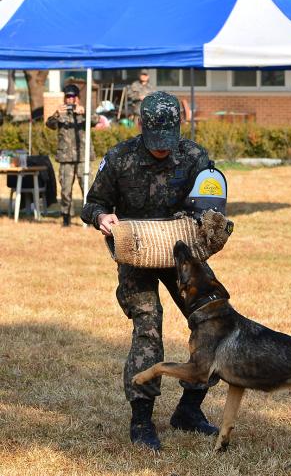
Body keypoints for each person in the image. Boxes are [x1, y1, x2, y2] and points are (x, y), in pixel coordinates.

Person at [80, 91, 219, 451]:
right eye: (156, 142)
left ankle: (189, 409)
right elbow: (92, 203)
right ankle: (141, 419)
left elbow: (211, 201)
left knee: (214, 321)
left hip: (181, 252)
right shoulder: (120, 159)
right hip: (136, 252)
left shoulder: (194, 156)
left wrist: (211, 221)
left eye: (167, 142)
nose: (162, 149)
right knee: (148, 327)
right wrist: (101, 217)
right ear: (142, 126)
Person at [46, 84, 97, 227]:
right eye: (68, 96)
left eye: (73, 96)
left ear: (78, 98)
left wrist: (85, 112)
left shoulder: (84, 112)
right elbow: (49, 124)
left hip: (83, 157)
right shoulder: (60, 113)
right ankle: (66, 218)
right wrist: (57, 113)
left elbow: (96, 120)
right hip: (66, 158)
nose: (70, 99)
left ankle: (90, 217)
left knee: (87, 189)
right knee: (65, 190)